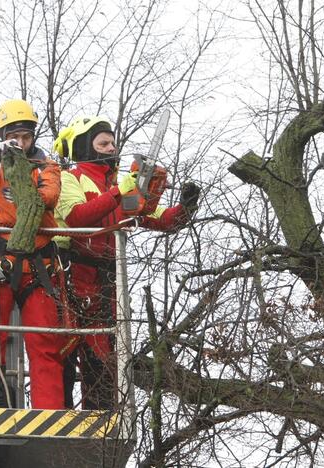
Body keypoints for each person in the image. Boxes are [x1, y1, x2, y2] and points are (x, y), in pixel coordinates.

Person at [52, 115, 200, 409]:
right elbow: (76, 216)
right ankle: (61, 413)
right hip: (73, 276)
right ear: (85, 147)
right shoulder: (70, 178)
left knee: (104, 356)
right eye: (103, 143)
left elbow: (152, 218)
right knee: (65, 350)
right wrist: (118, 193)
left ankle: (102, 420)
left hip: (108, 283)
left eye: (112, 143)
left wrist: (185, 207)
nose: (111, 148)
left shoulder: (122, 189)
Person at [0, 99, 65, 409]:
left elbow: (48, 196)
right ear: (3, 134)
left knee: (44, 344)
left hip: (40, 263)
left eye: (25, 136)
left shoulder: (46, 167)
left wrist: (24, 174)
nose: (20, 142)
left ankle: (50, 413)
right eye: (13, 135)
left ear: (33, 135)